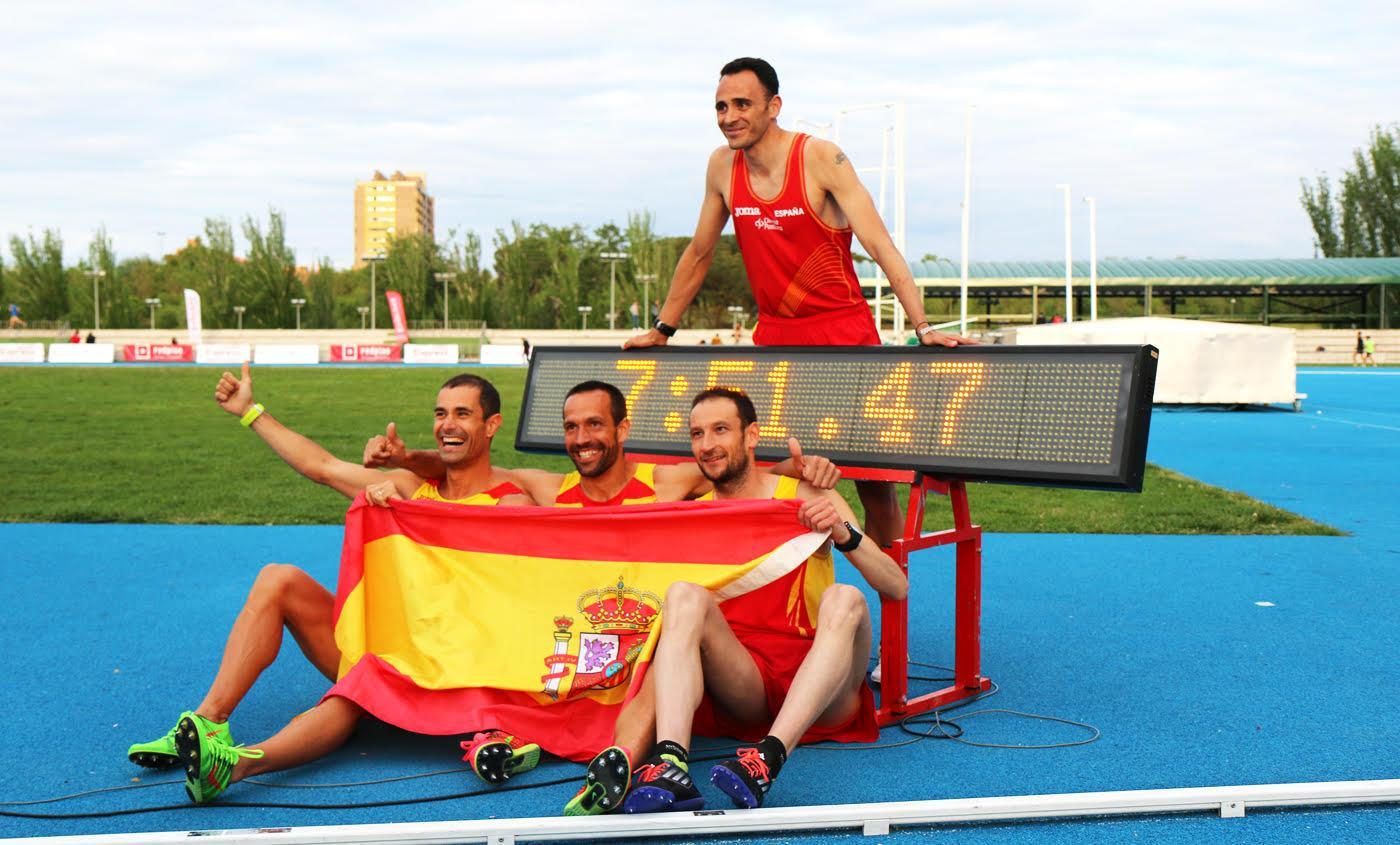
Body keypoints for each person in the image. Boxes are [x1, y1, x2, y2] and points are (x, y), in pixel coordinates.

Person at [127, 367, 534, 804]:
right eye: (440, 413)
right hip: (391, 654)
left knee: (355, 692)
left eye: (462, 414)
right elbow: (321, 467)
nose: (447, 425)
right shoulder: (408, 489)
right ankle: (208, 723)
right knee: (278, 578)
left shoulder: (513, 502)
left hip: (456, 672)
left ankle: (234, 764)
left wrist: (415, 511)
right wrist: (250, 411)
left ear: (491, 425)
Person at [622, 56, 973, 550]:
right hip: (777, 342)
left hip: (843, 336)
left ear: (774, 106)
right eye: (721, 106)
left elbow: (880, 245)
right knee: (775, 474)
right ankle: (795, 587)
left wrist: (923, 326)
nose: (729, 117)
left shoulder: (821, 158)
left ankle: (886, 587)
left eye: (742, 104)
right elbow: (700, 251)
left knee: (874, 487)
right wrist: (662, 329)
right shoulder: (721, 166)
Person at [588, 387, 906, 814]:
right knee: (682, 595)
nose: (707, 444)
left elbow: (896, 585)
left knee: (845, 597)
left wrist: (843, 534)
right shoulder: (695, 513)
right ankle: (671, 763)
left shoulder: (808, 495)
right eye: (697, 434)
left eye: (720, 429)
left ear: (751, 435)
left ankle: (767, 758)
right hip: (744, 682)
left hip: (823, 686)